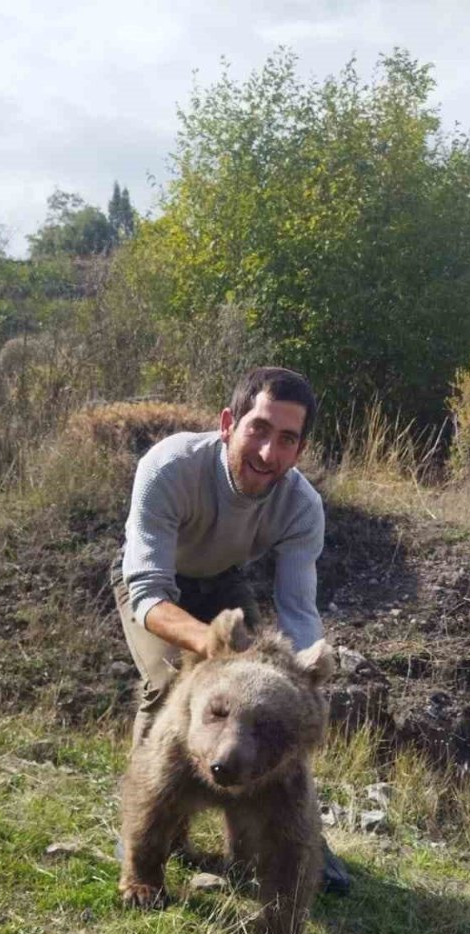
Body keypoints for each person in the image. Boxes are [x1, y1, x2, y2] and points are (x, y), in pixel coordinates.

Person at [111, 365, 351, 894]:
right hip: (152, 584)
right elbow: (149, 591)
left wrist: (306, 682)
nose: (269, 453)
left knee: (262, 704)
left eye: (287, 439)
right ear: (228, 422)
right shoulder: (170, 466)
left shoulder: (301, 507)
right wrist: (213, 654)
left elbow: (297, 610)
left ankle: (295, 834)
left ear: (300, 448)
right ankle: (148, 825)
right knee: (172, 684)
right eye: (258, 430)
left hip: (222, 582)